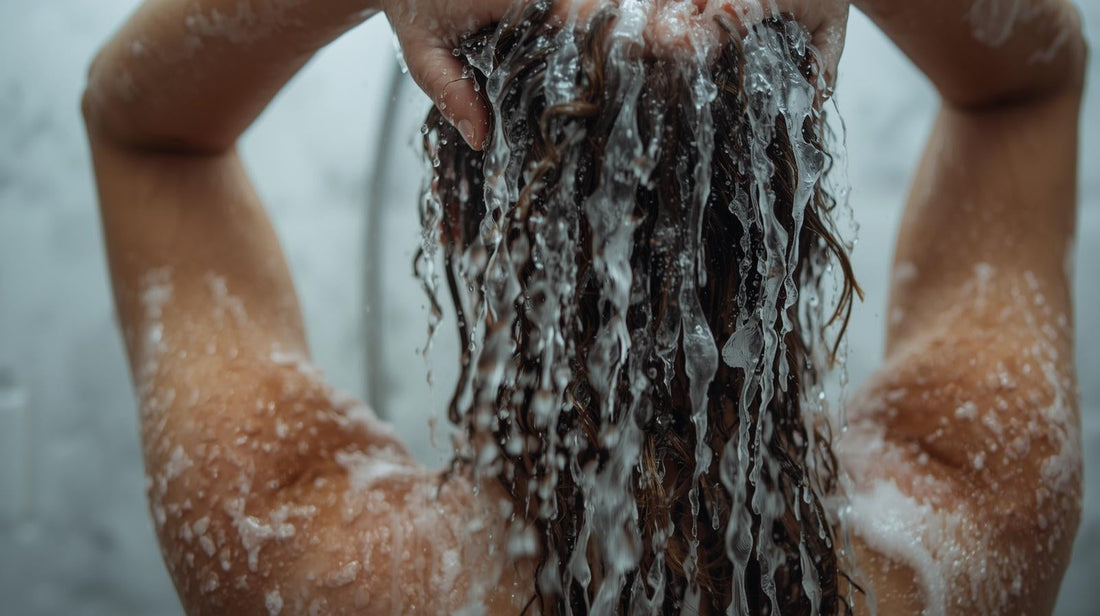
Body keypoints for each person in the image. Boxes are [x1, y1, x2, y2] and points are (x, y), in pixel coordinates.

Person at [82, 0, 1086, 614]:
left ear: (471, 223)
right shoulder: (968, 525)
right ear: (792, 199)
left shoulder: (308, 566)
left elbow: (145, 129)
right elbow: (1026, 81)